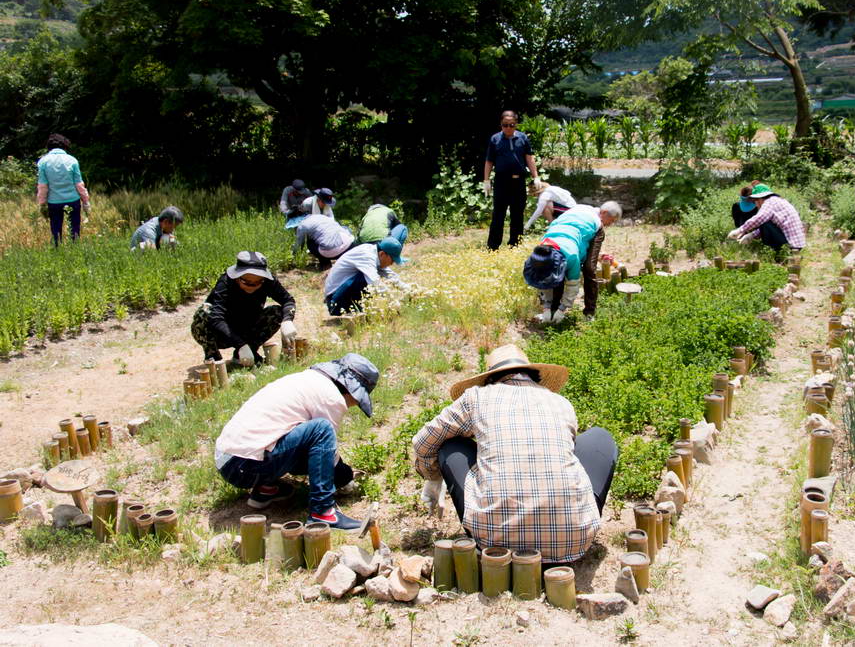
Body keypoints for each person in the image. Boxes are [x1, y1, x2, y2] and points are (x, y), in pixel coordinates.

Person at [413, 344, 617, 563]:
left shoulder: (476, 397)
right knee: (599, 438)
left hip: (494, 545)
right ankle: (573, 522)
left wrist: (433, 476)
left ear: (490, 378)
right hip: (572, 543)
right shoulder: (561, 402)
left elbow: (423, 441)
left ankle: (495, 533)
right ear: (534, 376)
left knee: (449, 445)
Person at [214, 354, 379, 529]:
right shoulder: (331, 397)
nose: (355, 404)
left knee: (293, 435)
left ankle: (265, 489)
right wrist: (345, 477)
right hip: (245, 465)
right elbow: (327, 453)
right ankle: (322, 513)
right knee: (321, 430)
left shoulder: (308, 380)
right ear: (351, 389)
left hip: (229, 461)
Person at [523, 201, 622, 323]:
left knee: (589, 269)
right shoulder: (540, 254)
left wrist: (562, 309)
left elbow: (573, 284)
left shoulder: (571, 257)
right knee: (552, 273)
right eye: (611, 221)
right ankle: (552, 310)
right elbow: (544, 277)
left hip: (586, 233)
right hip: (564, 230)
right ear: (604, 213)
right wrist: (547, 308)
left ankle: (589, 313)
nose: (610, 224)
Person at [191, 251, 297, 366]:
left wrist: (287, 320)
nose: (252, 286)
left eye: (258, 282)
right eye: (246, 282)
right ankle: (214, 357)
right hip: (223, 332)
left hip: (248, 326)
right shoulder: (225, 282)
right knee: (204, 312)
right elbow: (216, 318)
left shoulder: (268, 281)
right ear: (237, 277)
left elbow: (288, 300)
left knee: (277, 312)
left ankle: (247, 352)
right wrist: (241, 345)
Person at [482, 110, 540, 250]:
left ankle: (515, 244)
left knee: (517, 214)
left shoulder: (523, 138)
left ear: (516, 124)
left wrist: (536, 176)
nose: (508, 128)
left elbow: (529, 158)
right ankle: (493, 247)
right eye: (505, 125)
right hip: (501, 182)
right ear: (501, 124)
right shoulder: (495, 139)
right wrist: (486, 181)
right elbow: (489, 161)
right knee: (498, 215)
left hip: (518, 182)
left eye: (511, 125)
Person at [324, 236, 407, 315]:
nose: (392, 264)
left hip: (340, 292)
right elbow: (375, 283)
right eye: (392, 260)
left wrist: (409, 290)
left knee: (370, 276)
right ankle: (346, 309)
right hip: (334, 299)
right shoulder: (367, 256)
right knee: (366, 278)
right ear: (382, 254)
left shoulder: (374, 253)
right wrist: (393, 303)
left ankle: (356, 308)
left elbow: (390, 275)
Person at [36, 134, 90, 246]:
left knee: (56, 230)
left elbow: (43, 186)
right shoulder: (72, 160)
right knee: (75, 229)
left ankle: (57, 250)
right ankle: (75, 249)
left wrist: (42, 203)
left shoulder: (43, 162)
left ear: (49, 147)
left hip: (54, 201)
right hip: (73, 200)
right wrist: (85, 201)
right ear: (65, 146)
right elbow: (79, 184)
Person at [726, 184, 806, 253]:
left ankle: (776, 254)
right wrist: (751, 235)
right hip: (797, 244)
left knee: (763, 222)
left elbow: (759, 219)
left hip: (791, 245)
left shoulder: (769, 203)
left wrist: (740, 230)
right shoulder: (777, 201)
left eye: (755, 201)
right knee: (766, 223)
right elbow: (771, 226)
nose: (756, 205)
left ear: (760, 198)